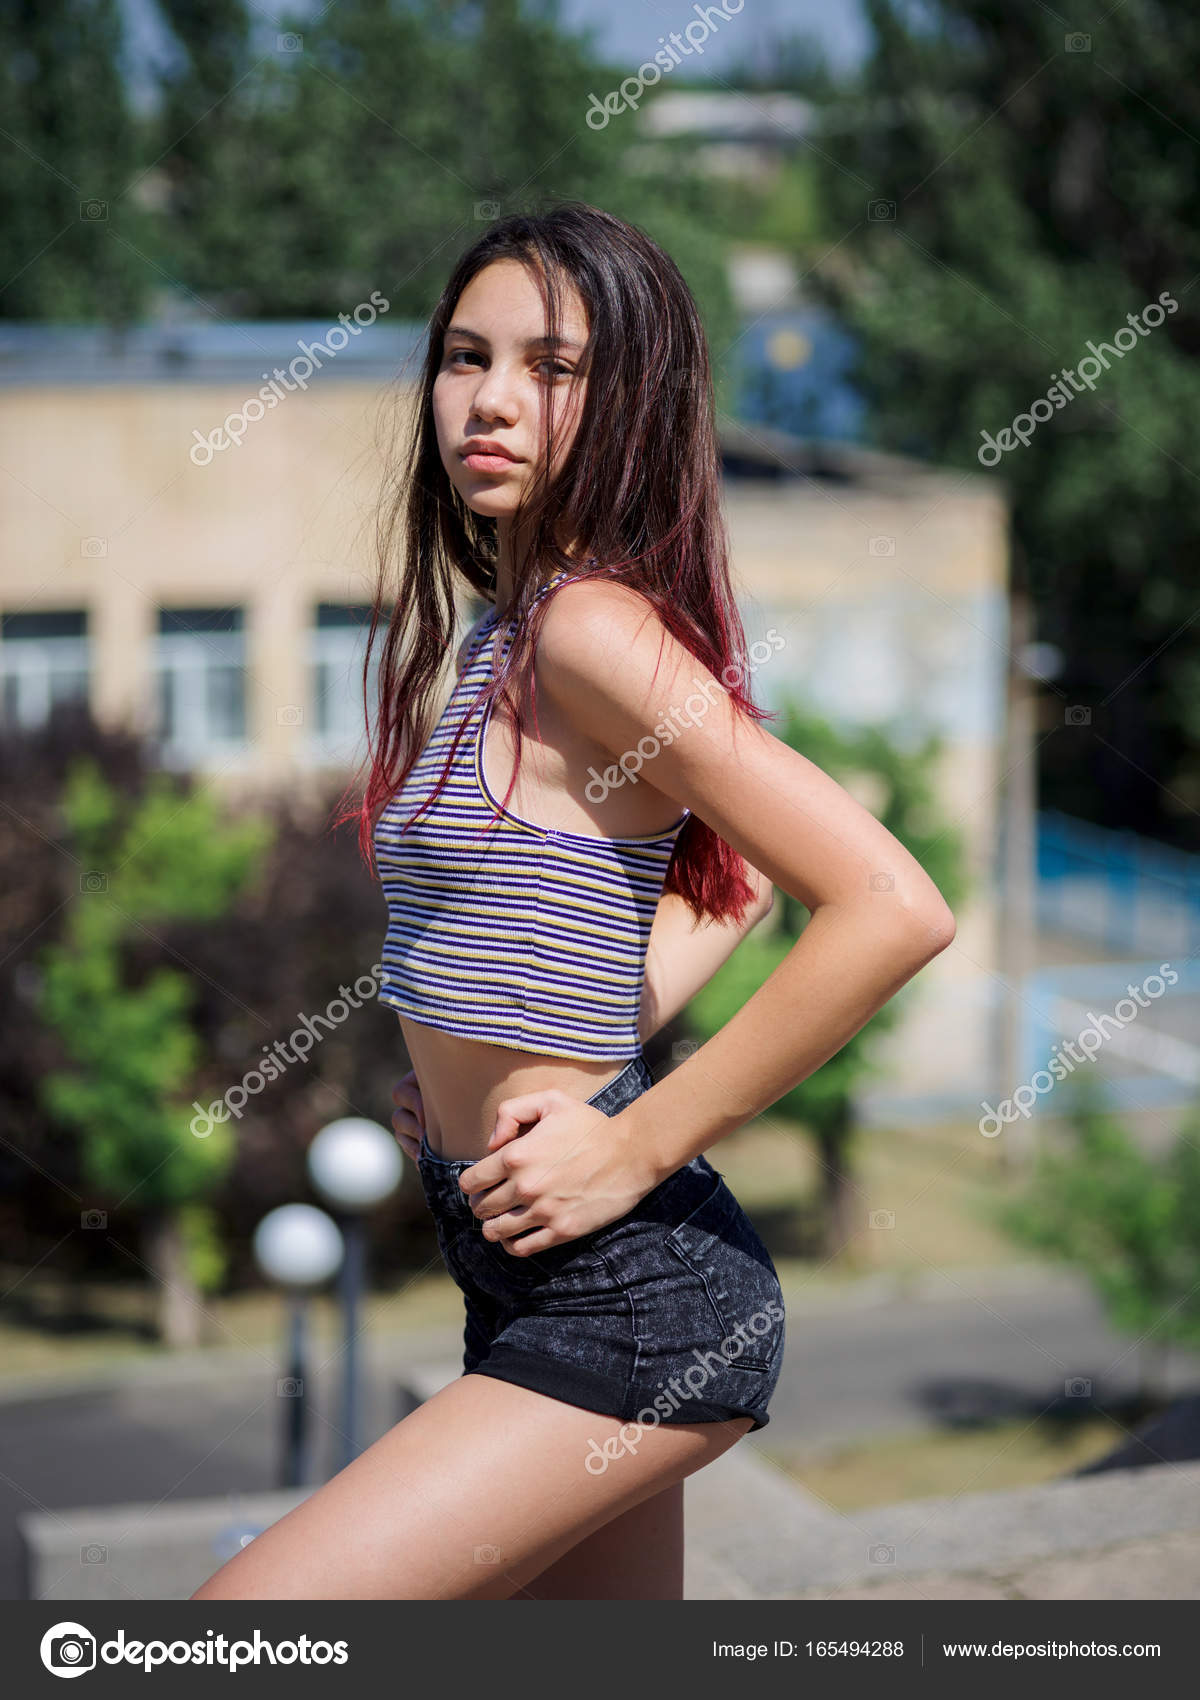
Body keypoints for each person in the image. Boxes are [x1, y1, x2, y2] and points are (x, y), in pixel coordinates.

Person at [191, 202, 955, 1603]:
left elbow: (888, 903)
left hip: (635, 1292)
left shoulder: (590, 631)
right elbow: (736, 902)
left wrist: (629, 1140)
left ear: (634, 402)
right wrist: (515, 1062)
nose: (489, 400)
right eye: (465, 356)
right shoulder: (509, 630)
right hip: (520, 1261)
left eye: (553, 367)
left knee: (239, 1630)